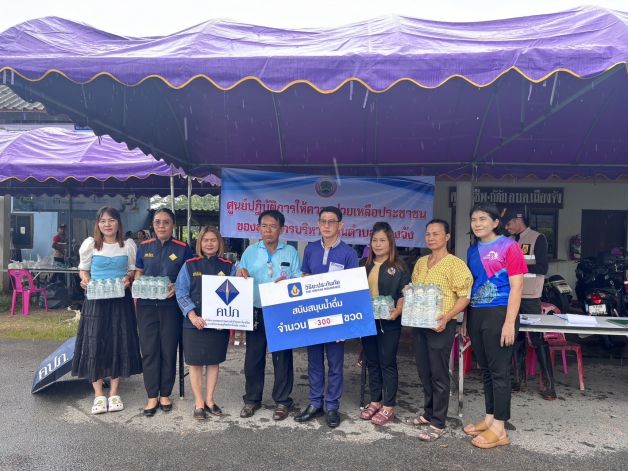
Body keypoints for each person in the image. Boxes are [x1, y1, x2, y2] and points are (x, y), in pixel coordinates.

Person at [463, 203, 527, 449]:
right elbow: (471, 286)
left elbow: (517, 287)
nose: (477, 223)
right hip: (476, 313)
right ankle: (490, 417)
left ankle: (500, 428)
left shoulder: (509, 246)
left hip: (500, 313)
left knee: (499, 371)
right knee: (486, 371)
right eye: (474, 219)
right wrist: (466, 320)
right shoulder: (472, 250)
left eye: (482, 219)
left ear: (495, 222)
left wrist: (509, 323)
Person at [71, 207, 142, 414]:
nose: (107, 224)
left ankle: (114, 392)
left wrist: (128, 279)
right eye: (103, 221)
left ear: (118, 222)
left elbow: (132, 270)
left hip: (120, 300)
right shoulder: (90, 244)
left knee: (118, 341)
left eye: (111, 220)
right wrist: (85, 280)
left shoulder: (127, 245)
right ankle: (98, 394)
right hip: (96, 300)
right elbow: (83, 270)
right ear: (98, 224)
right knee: (94, 342)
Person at [294, 207, 359, 428]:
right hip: (313, 315)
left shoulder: (349, 253)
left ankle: (332, 406)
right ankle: (315, 403)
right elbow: (304, 277)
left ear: (341, 225)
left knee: (335, 364)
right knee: (313, 362)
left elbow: (352, 289)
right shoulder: (310, 249)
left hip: (337, 318)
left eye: (332, 221)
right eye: (323, 221)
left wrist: (346, 325)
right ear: (318, 224)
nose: (327, 225)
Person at [410, 219, 472, 440]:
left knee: (438, 372)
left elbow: (465, 296)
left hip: (441, 325)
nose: (431, 238)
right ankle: (428, 413)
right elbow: (416, 289)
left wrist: (447, 316)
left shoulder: (455, 264)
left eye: (436, 234)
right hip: (420, 324)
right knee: (424, 370)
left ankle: (438, 422)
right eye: (428, 234)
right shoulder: (421, 262)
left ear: (447, 237)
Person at [237, 210, 301, 421]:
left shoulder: (290, 252)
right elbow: (239, 273)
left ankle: (282, 401)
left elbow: (298, 278)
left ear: (281, 229)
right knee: (253, 358)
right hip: (256, 310)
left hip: (281, 311)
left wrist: (289, 282)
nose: (268, 230)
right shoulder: (250, 252)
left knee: (282, 358)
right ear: (258, 228)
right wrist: (239, 273)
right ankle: (252, 399)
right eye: (264, 226)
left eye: (272, 226)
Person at [135, 208, 194, 416]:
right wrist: (137, 283)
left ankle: (165, 394)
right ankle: (152, 395)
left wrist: (177, 287)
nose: (161, 226)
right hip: (146, 306)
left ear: (173, 225)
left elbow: (190, 277)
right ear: (152, 225)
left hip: (171, 307)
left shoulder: (183, 249)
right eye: (157, 222)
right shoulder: (143, 247)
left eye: (166, 222)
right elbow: (139, 273)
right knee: (149, 350)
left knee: (169, 350)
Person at [175, 226, 235, 420]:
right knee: (195, 363)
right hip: (194, 323)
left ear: (219, 243)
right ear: (200, 243)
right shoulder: (189, 265)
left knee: (213, 361)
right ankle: (199, 402)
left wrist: (225, 319)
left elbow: (236, 293)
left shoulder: (229, 266)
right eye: (206, 240)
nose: (209, 243)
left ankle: (210, 400)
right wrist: (192, 316)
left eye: (213, 240)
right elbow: (181, 292)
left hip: (218, 324)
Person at [358, 221, 410, 426]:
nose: (378, 244)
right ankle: (375, 400)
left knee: (387, 361)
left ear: (390, 242)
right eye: (374, 240)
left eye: (382, 240)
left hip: (389, 322)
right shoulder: (364, 264)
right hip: (367, 321)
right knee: (372, 361)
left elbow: (403, 293)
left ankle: (388, 405)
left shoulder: (400, 266)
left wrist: (398, 310)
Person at [504, 209, 557, 400]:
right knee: (515, 338)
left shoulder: (537, 238)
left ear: (518, 220)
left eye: (508, 223)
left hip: (530, 296)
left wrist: (516, 266)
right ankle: (518, 380)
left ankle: (549, 385)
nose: (507, 227)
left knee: (537, 338)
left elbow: (542, 267)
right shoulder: (509, 241)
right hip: (512, 295)